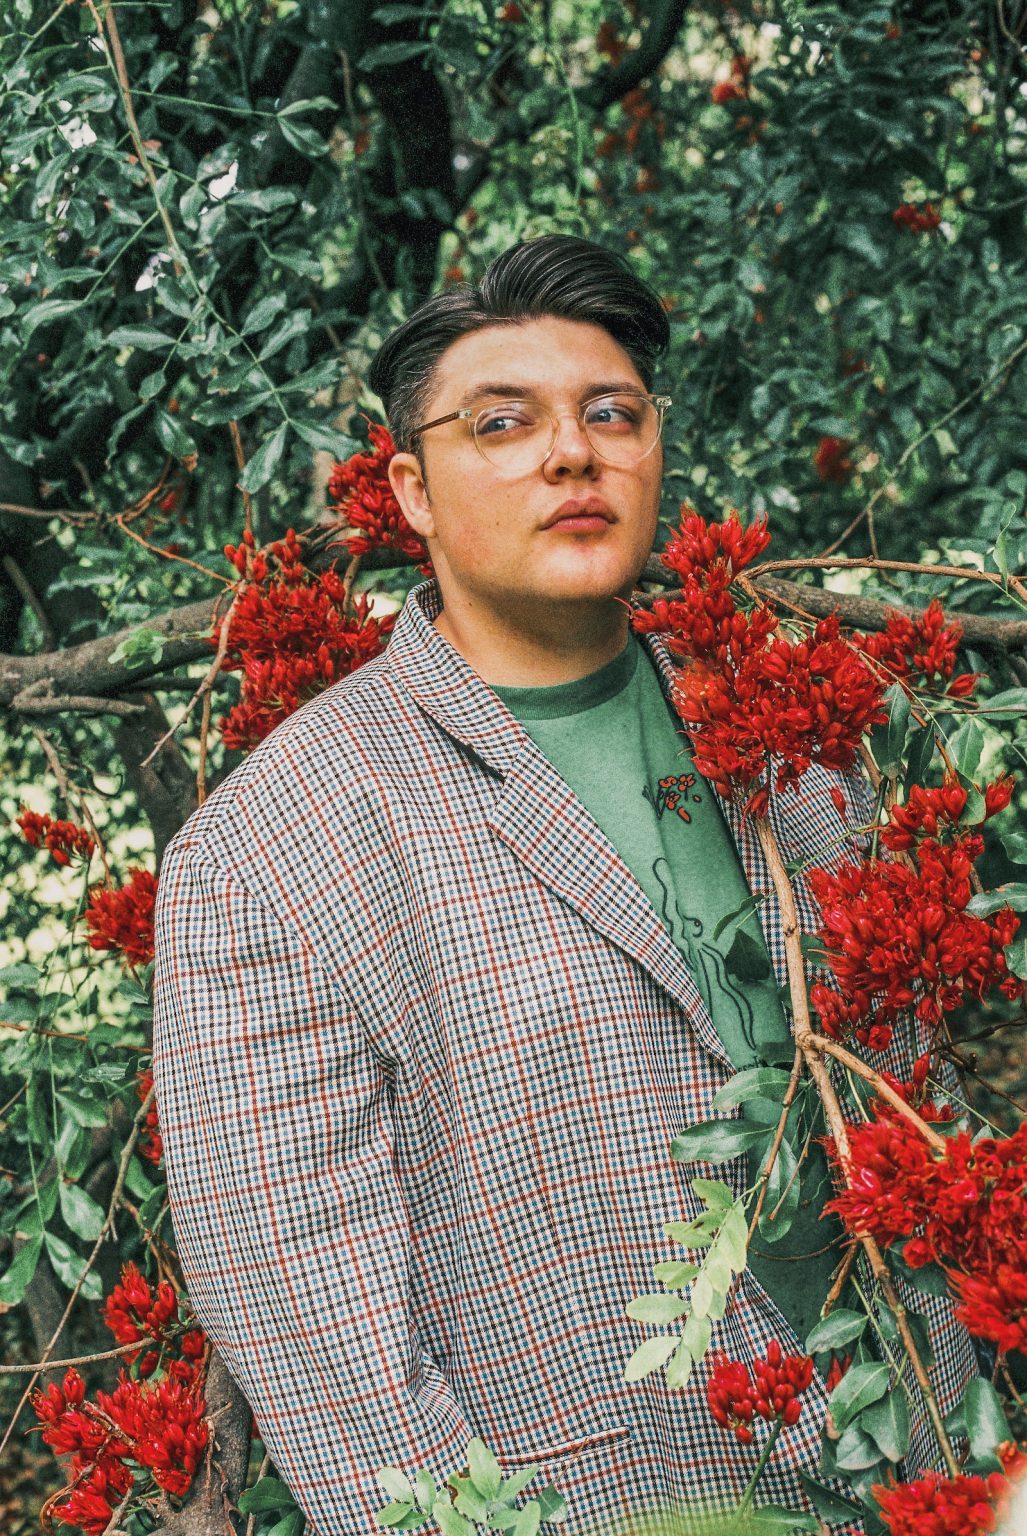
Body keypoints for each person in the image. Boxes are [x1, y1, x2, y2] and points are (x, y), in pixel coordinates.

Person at [152, 235, 977, 1535]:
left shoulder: (793, 736)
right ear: (412, 492)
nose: (573, 453)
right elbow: (312, 1326)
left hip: (926, 1446)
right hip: (628, 1498)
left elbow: (905, 1091)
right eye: (503, 423)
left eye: (612, 414)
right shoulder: (274, 845)